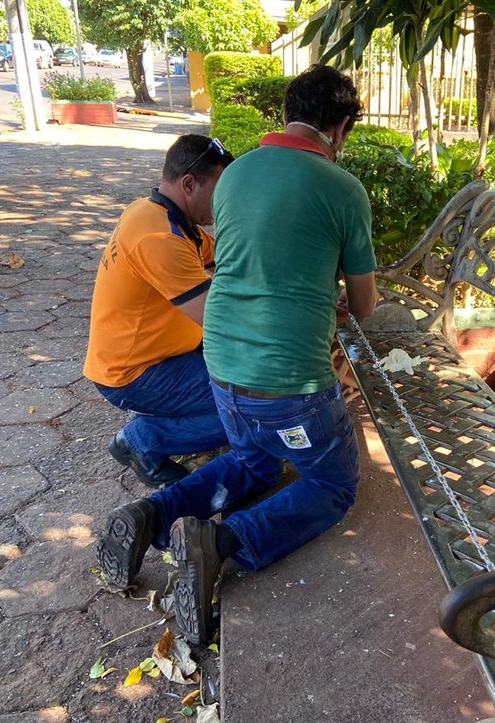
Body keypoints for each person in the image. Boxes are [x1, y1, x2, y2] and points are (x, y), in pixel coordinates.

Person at [95, 65, 379, 644]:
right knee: (332, 484)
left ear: (286, 115)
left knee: (255, 461)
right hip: (289, 380)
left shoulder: (236, 174)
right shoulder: (343, 187)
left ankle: (151, 515)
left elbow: (245, 264)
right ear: (342, 126)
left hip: (221, 364)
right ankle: (222, 544)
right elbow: (367, 305)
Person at [83, 134, 235, 488]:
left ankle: (165, 421)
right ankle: (142, 441)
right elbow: (222, 320)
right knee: (246, 404)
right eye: (221, 190)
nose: (225, 201)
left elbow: (227, 254)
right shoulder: (159, 238)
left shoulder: (156, 212)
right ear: (189, 184)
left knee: (240, 388)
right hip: (135, 373)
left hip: (156, 354)